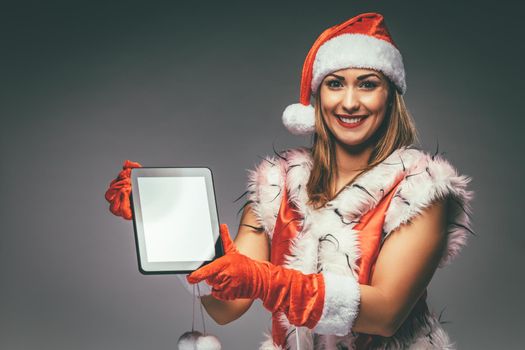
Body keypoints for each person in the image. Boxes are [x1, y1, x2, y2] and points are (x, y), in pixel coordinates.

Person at [105, 12, 473, 350]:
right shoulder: (276, 183)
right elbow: (227, 306)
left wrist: (265, 280)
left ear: (390, 95)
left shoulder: (421, 187)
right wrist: (165, 225)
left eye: (366, 84)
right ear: (317, 96)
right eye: (334, 84)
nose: (348, 102)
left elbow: (385, 313)